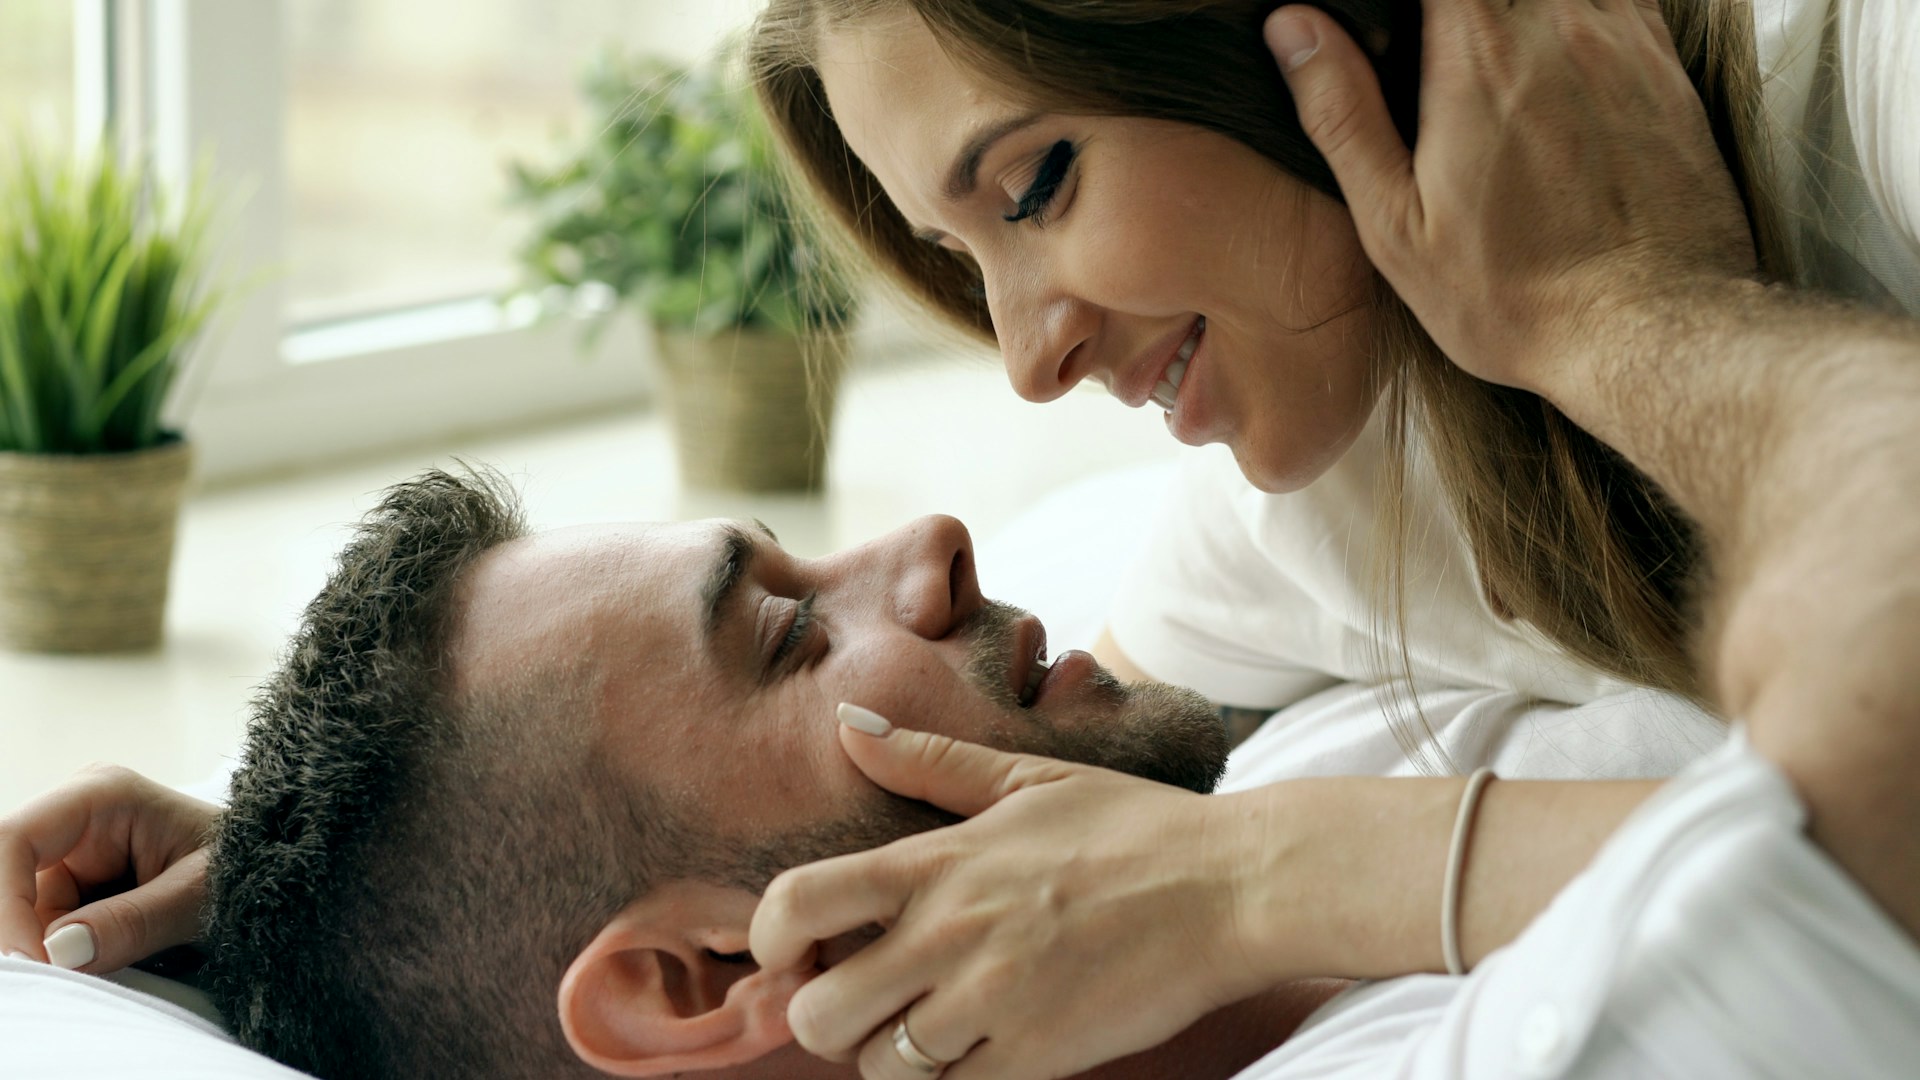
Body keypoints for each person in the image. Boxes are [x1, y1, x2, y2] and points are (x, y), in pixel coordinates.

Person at [726, 0, 1920, 1077]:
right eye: (958, 257)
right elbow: (1050, 814)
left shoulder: (1871, 68)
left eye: (1037, 185)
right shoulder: (1318, 500)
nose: (1031, 364)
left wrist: (1621, 310)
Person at [1, 466, 1719, 1079]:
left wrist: (316, 895)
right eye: (788, 636)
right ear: (696, 982)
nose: (932, 543)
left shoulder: (1182, 714)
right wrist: (1267, 881)